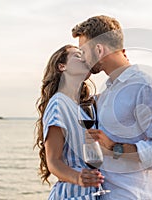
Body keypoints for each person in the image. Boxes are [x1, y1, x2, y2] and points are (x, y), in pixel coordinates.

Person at [72, 15, 152, 199]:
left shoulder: (144, 86)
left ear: (98, 50)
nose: (82, 58)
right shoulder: (109, 90)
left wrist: (115, 147)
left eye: (84, 51)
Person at [34, 44, 104, 199]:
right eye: (77, 56)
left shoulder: (84, 107)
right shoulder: (59, 103)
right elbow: (53, 162)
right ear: (62, 66)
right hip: (71, 194)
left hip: (90, 194)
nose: (84, 59)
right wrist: (78, 177)